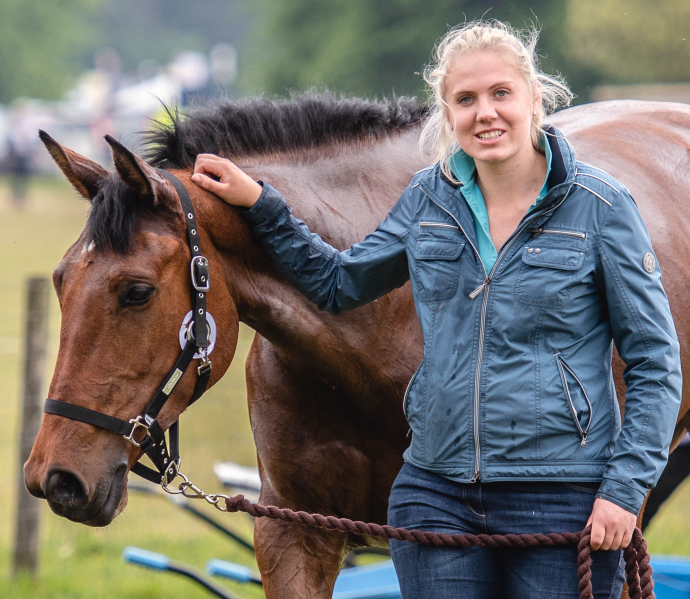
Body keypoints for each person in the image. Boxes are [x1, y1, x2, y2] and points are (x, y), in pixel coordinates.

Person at [190, 21, 682, 599]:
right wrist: (261, 204)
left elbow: (655, 361)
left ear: (534, 99)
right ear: (449, 114)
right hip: (435, 493)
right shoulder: (429, 198)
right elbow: (337, 284)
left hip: (560, 494)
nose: (485, 113)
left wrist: (623, 490)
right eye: (466, 99)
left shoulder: (601, 206)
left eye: (501, 93)